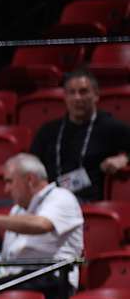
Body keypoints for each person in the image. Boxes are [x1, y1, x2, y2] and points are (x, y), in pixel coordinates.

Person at [0, 153, 84, 299]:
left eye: (9, 182)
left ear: (30, 179)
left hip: (51, 278)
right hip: (18, 277)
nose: (6, 189)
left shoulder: (60, 197)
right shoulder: (17, 211)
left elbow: (42, 225)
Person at [26, 69, 130, 204]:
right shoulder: (48, 130)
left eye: (83, 92)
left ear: (96, 95)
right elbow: (32, 164)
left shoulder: (111, 127)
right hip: (49, 196)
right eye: (72, 92)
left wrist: (125, 158)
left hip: (86, 200)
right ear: (65, 97)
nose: (77, 98)